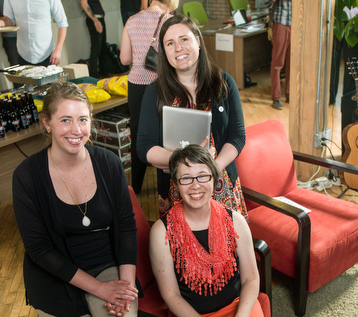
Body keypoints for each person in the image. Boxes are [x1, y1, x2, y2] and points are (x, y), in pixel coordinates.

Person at [12, 81, 158, 317]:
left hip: (104, 265)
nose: (75, 130)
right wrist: (100, 290)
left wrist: (125, 286)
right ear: (47, 124)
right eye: (65, 120)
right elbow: (39, 250)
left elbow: (125, 227)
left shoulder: (109, 164)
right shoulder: (27, 176)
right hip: (52, 279)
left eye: (83, 119)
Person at [150, 145, 274, 317]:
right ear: (175, 184)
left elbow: (250, 279)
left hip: (237, 307)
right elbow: (171, 296)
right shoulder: (161, 231)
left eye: (203, 176)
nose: (195, 185)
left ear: (215, 178)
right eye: (186, 178)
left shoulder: (235, 220)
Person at [137, 15, 248, 220]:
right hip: (176, 187)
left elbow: (237, 136)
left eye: (184, 39)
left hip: (220, 180)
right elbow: (145, 148)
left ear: (198, 40)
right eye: (170, 43)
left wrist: (213, 167)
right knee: (184, 249)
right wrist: (183, 164)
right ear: (164, 52)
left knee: (229, 246)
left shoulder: (224, 83)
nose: (178, 48)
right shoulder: (155, 92)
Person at [120, 0, 179, 194]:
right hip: (162, 85)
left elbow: (124, 59)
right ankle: (167, 188)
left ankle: (135, 187)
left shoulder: (131, 20)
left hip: (136, 85)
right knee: (165, 136)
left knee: (139, 135)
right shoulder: (171, 22)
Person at [0, 0, 68, 66]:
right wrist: (1, 22)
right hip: (23, 54)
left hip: (46, 53)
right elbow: (9, 19)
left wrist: (58, 49)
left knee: (49, 84)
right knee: (26, 84)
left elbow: (62, 23)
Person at [269, 0, 291, 110]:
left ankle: (289, 94)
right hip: (281, 25)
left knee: (292, 64)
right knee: (277, 64)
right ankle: (276, 98)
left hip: (297, 25)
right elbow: (266, 2)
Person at [80, 0, 110, 79]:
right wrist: (95, 21)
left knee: (103, 47)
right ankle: (94, 75)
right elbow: (84, 4)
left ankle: (104, 73)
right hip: (94, 19)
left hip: (100, 17)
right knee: (96, 48)